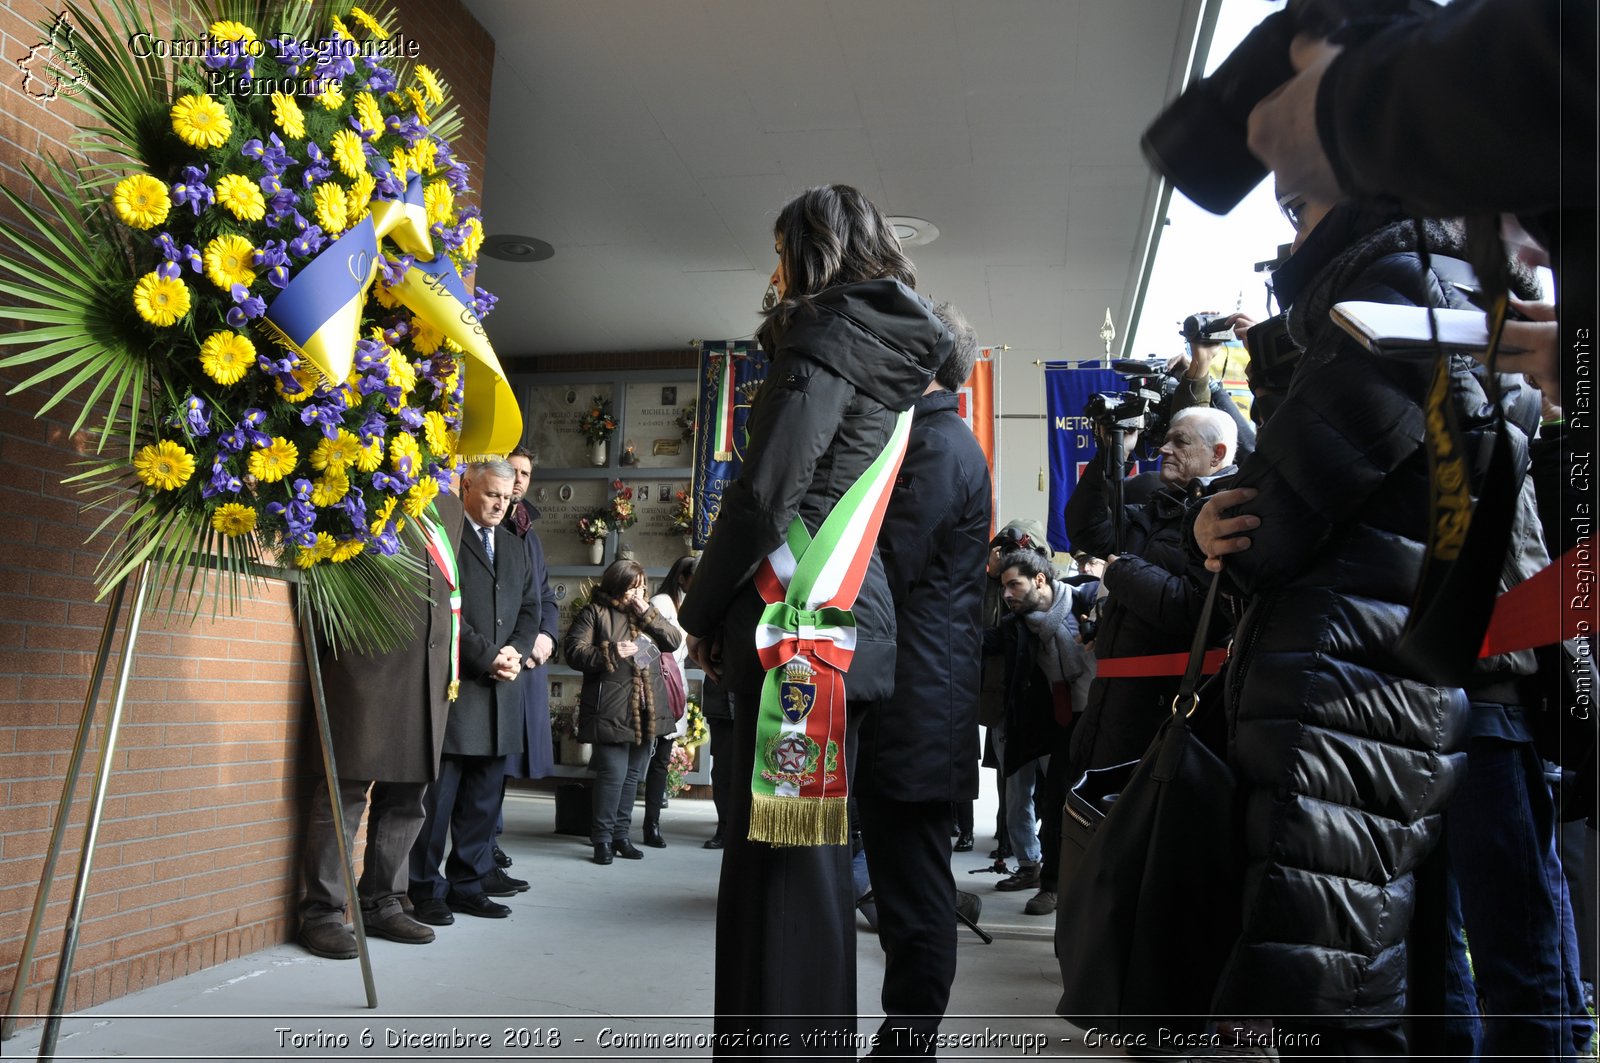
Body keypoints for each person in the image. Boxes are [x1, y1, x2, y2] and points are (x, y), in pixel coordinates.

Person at [1183, 181, 1538, 1051]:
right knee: (1401, 968)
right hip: (1387, 687)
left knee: (1337, 986)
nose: (1289, 238)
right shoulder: (1454, 295)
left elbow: (1267, 526)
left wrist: (1215, 520)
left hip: (1348, 693)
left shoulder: (1402, 290)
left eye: (1298, 207)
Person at [678, 183, 952, 1055]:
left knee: (784, 871)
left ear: (813, 249)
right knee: (806, 862)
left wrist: (700, 608)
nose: (773, 271)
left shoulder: (826, 340)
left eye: (781, 250)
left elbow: (763, 497)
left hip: (794, 633)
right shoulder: (900, 362)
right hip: (843, 629)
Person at [855, 300, 991, 1052]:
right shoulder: (933, 438)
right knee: (907, 888)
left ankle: (907, 1044)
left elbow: (888, 563)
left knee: (915, 896)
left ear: (922, 364)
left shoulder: (938, 447)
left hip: (917, 706)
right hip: (916, 701)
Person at [295, 493, 463, 959]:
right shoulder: (366, 479)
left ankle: (382, 899)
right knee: (344, 789)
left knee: (409, 796)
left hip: (426, 672)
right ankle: (323, 911)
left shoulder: (447, 505)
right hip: (364, 663)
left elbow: (448, 589)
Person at [1061, 406, 1236, 794]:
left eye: (1180, 441)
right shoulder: (1159, 508)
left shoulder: (1230, 517)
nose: (1163, 450)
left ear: (1218, 454)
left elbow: (1194, 609)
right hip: (1112, 701)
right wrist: (1112, 453)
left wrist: (1119, 571)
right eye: (1165, 439)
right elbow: (1087, 530)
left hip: (1164, 708)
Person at [408, 460, 541, 923]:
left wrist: (517, 653)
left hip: (502, 687)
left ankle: (468, 882)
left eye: (507, 498)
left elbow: (530, 607)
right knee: (439, 800)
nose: (501, 505)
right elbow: (444, 610)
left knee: (484, 801)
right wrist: (488, 656)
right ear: (467, 488)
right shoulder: (445, 538)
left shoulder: (512, 543)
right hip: (459, 685)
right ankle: (424, 887)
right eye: (491, 496)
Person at [982, 550, 1086, 915]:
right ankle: (1051, 885)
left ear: (1040, 580)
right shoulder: (1017, 626)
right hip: (1058, 725)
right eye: (1003, 586)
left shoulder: (1085, 600)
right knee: (1055, 803)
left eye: (1014, 584)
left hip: (1102, 716)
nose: (1007, 594)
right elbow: (979, 641)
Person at [562, 558, 681, 865]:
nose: (638, 592)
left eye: (641, 586)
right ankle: (601, 839)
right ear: (617, 584)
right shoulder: (595, 612)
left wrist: (650, 614)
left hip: (646, 708)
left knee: (632, 778)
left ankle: (621, 836)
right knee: (612, 776)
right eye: (632, 586)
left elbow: (673, 641)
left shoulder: (646, 613)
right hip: (610, 707)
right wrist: (611, 651)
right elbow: (574, 652)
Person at [489, 444, 559, 887]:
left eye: (526, 473)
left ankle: (487, 848)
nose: (519, 480)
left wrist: (546, 637)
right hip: (500, 658)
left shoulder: (527, 529)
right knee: (489, 758)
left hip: (528, 660)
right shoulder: (490, 526)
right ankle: (481, 849)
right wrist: (519, 642)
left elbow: (544, 595)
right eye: (513, 470)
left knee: (504, 763)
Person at [642, 555, 696, 848]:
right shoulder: (662, 602)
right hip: (656, 685)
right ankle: (620, 827)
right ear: (681, 578)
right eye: (695, 578)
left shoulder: (688, 604)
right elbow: (644, 643)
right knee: (643, 759)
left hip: (675, 685)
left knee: (662, 759)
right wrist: (642, 677)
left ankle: (652, 824)